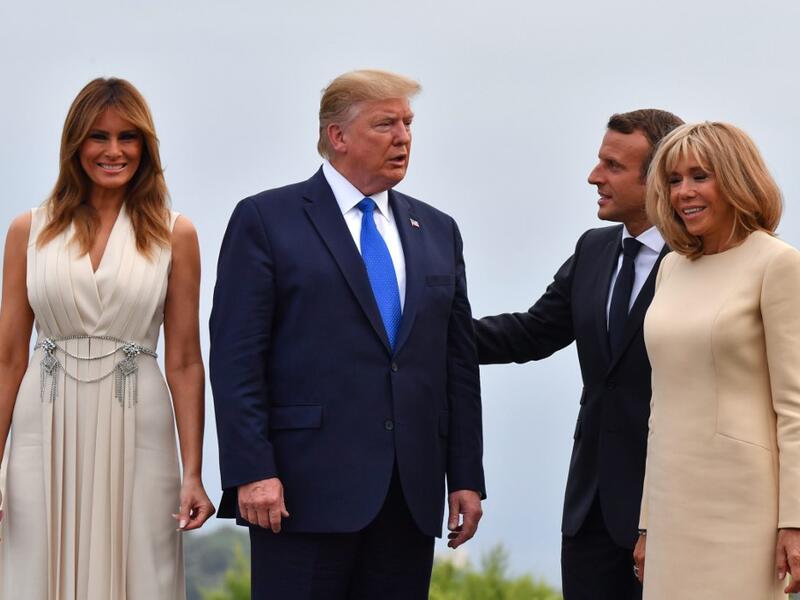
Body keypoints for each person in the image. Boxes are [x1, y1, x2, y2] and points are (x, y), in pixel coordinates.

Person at [209, 69, 485, 600]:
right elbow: (237, 359)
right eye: (386, 124)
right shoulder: (266, 219)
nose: (403, 137)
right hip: (297, 495)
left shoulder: (438, 231)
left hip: (408, 498)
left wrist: (466, 476)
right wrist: (252, 470)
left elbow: (457, 363)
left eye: (407, 123)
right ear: (338, 136)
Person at [0, 77, 215, 599]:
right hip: (41, 424)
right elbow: (8, 357)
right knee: (33, 568)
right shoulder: (28, 231)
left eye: (128, 137)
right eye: (98, 136)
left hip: (139, 421)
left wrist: (194, 473)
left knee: (141, 568)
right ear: (76, 143)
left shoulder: (175, 234)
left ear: (146, 146)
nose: (114, 151)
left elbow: (185, 360)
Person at [474, 109, 683, 600]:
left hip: (671, 508)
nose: (594, 177)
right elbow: (529, 333)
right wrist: (417, 333)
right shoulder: (593, 249)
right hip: (589, 510)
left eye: (612, 165)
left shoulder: (702, 261)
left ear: (656, 177)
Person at [634, 121, 800, 599]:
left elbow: (794, 407)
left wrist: (794, 521)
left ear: (736, 179)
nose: (684, 192)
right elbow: (660, 406)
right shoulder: (671, 268)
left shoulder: (777, 263)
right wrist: (647, 524)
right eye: (673, 179)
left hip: (745, 507)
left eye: (700, 176)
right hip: (671, 501)